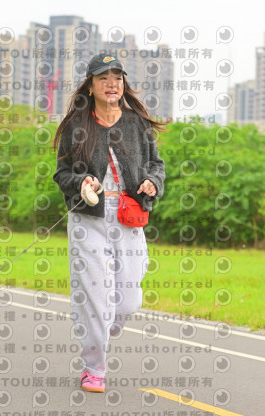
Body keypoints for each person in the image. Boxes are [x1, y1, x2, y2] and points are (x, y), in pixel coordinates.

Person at [53, 53, 165, 392]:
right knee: (94, 296)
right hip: (88, 217)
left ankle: (100, 333)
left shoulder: (136, 124)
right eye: (103, 78)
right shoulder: (76, 125)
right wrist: (82, 181)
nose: (111, 84)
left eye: (117, 78)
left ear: (123, 84)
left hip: (128, 215)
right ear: (90, 85)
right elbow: (62, 173)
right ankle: (94, 368)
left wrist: (152, 183)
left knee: (129, 300)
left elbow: (157, 165)